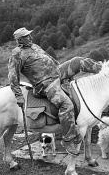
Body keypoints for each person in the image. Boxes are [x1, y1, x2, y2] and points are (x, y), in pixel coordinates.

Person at [8, 27, 102, 156]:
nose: (30, 37)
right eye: (26, 36)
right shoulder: (17, 54)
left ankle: (103, 69)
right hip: (45, 84)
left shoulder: (34, 46)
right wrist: (18, 95)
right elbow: (13, 76)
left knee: (77, 61)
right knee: (66, 105)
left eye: (29, 35)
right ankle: (68, 139)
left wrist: (65, 72)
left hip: (57, 73)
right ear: (20, 40)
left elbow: (50, 59)